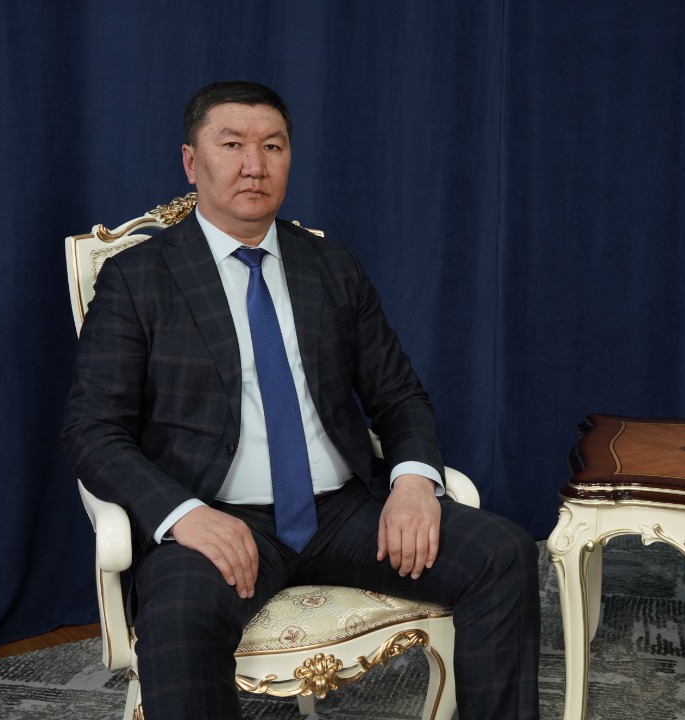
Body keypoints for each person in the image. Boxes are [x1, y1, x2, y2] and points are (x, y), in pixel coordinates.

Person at [61, 80, 540, 720]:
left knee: (502, 553)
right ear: (191, 161)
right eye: (232, 144)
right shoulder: (138, 278)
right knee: (178, 613)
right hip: (217, 517)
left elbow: (398, 393)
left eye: (273, 146)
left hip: (345, 511)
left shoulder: (331, 265)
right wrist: (184, 515)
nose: (254, 165)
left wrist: (412, 483)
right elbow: (92, 429)